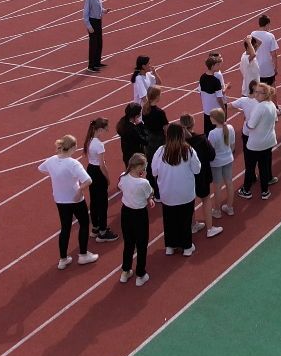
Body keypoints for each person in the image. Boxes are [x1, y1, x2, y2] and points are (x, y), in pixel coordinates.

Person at [38, 135, 98, 269]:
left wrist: (56, 176)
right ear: (73, 147)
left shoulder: (51, 160)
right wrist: (80, 190)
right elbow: (88, 180)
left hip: (60, 199)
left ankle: (63, 259)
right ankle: (83, 255)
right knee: (84, 224)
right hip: (75, 199)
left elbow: (40, 168)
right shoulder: (73, 163)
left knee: (65, 228)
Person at [151, 123, 201, 257]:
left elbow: (154, 171)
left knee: (169, 220)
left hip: (167, 193)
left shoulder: (160, 151)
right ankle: (187, 246)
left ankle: (170, 246)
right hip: (185, 193)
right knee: (185, 220)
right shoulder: (188, 150)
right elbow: (197, 169)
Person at [234, 80, 280, 200]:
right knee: (264, 167)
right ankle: (265, 191)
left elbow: (251, 125)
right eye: (256, 92)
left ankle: (246, 190)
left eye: (259, 92)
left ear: (266, 94)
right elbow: (276, 120)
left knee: (250, 168)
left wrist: (247, 122)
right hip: (268, 141)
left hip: (256, 144)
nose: (256, 94)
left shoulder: (259, 107)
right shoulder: (271, 105)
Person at [181, 114, 221, 237]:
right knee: (206, 199)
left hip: (186, 177)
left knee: (190, 201)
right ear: (193, 124)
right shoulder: (201, 139)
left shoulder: (179, 142)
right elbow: (212, 155)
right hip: (202, 175)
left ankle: (193, 225)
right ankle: (210, 228)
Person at [118, 154, 154, 286]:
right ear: (138, 167)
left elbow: (121, 187)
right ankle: (140, 274)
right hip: (139, 214)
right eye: (144, 166)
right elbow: (150, 193)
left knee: (128, 243)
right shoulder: (143, 183)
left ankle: (125, 271)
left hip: (126, 213)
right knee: (141, 244)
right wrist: (144, 179)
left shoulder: (123, 177)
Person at [81, 117, 118, 243]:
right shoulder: (99, 145)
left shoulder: (89, 140)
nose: (107, 130)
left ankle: (95, 228)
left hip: (90, 169)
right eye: (106, 128)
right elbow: (102, 165)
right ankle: (103, 232)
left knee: (94, 200)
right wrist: (107, 178)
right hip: (98, 172)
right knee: (102, 203)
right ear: (100, 129)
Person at [206, 107, 238, 220]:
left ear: (215, 119)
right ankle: (229, 207)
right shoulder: (230, 128)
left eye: (211, 117)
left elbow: (211, 150)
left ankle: (217, 210)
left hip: (216, 162)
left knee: (217, 186)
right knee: (229, 183)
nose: (209, 118)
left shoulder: (212, 133)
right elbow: (233, 145)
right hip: (228, 158)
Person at [82, 0, 107, 72]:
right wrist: (89, 26)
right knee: (93, 44)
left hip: (99, 21)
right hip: (92, 22)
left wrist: (104, 11)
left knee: (99, 43)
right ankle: (91, 66)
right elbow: (85, 13)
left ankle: (97, 62)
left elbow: (99, 8)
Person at [115, 103, 147, 169]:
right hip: (136, 159)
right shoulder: (133, 129)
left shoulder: (122, 122)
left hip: (127, 156)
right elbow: (145, 141)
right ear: (137, 115)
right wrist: (140, 125)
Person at [249, 15, 279, 87]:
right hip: (268, 69)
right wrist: (275, 68)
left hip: (256, 69)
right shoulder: (271, 36)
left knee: (258, 90)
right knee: (271, 90)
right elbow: (274, 55)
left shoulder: (253, 34)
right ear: (267, 24)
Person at [141, 86, 171, 154]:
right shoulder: (160, 112)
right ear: (157, 97)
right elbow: (166, 129)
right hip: (158, 140)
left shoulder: (144, 109)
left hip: (148, 138)